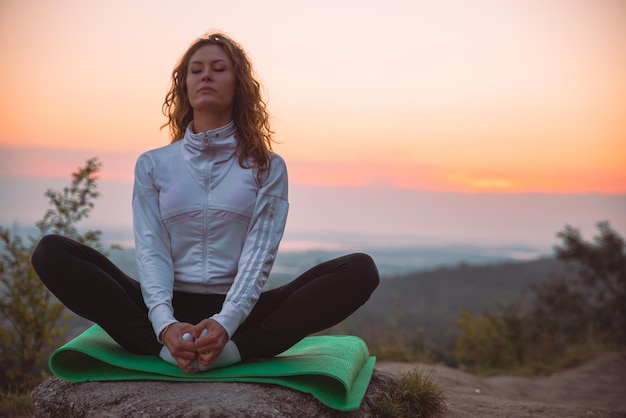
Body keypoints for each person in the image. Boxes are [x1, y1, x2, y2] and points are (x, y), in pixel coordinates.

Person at [31, 32, 379, 373]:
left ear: (238, 83)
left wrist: (226, 321)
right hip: (162, 306)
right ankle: (164, 346)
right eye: (196, 70)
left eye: (219, 68)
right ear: (184, 85)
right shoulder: (154, 164)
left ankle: (236, 351)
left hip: (242, 312)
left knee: (360, 270)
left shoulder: (267, 166)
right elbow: (152, 250)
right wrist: (165, 324)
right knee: (50, 251)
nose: (206, 76)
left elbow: (259, 253)